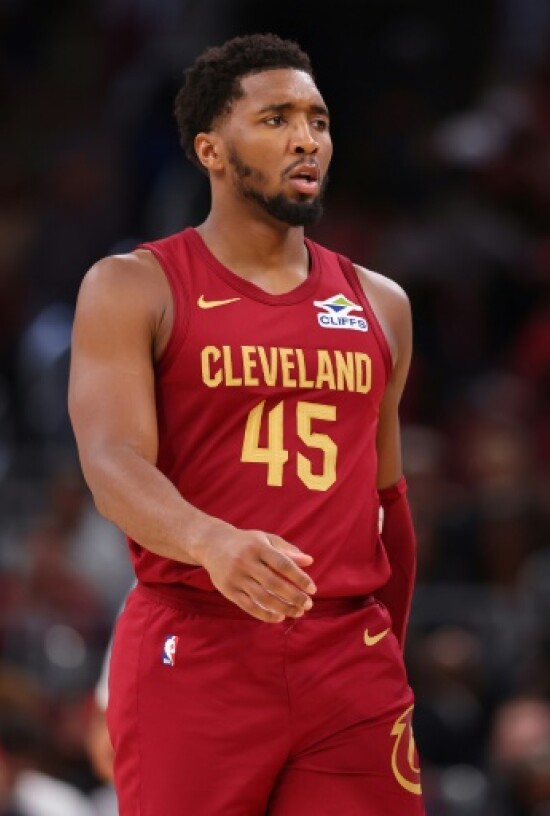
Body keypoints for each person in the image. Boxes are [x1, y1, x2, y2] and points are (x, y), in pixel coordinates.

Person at [68, 33, 421, 815]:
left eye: (319, 120)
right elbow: (111, 460)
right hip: (197, 644)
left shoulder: (380, 302)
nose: (307, 138)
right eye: (276, 118)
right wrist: (211, 540)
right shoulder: (135, 285)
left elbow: (387, 500)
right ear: (210, 151)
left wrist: (382, 657)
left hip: (347, 657)